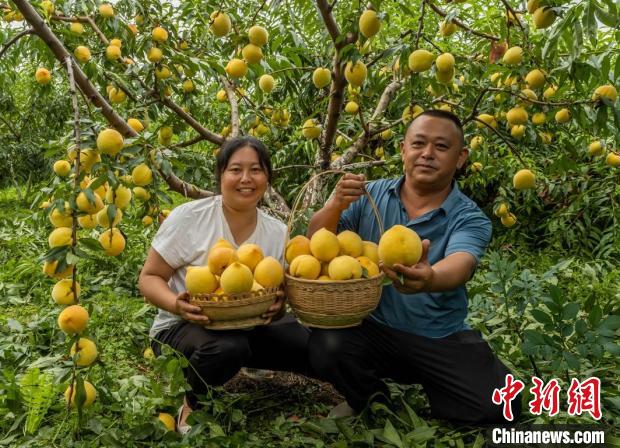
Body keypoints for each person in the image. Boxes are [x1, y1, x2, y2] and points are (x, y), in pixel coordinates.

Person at [307, 110, 521, 424]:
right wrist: (334, 205)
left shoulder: (469, 217)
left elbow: (461, 264)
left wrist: (431, 277)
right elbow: (317, 241)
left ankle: (440, 389)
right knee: (326, 345)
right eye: (418, 143)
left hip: (437, 336)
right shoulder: (369, 195)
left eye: (441, 147)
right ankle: (370, 397)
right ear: (404, 149)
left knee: (502, 408)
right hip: (372, 329)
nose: (427, 154)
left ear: (461, 157)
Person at [138, 136, 311, 434]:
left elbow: (277, 290)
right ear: (220, 175)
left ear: (267, 177)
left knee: (312, 343)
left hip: (249, 323)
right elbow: (149, 278)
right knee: (227, 347)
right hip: (183, 326)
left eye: (256, 170)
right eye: (235, 170)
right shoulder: (190, 217)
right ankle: (192, 404)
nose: (246, 179)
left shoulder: (277, 232)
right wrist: (176, 304)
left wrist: (278, 305)